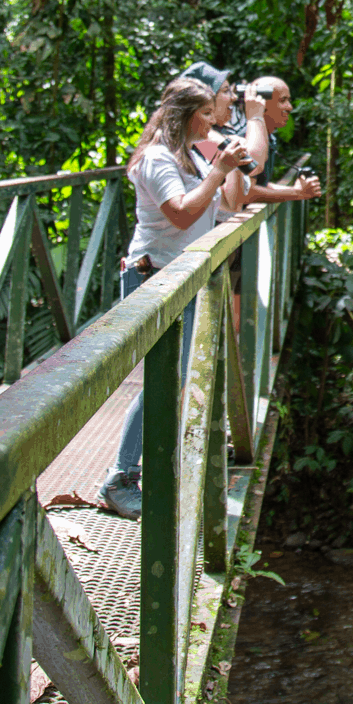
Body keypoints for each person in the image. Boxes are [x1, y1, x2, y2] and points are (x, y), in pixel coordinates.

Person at [97, 77, 249, 519]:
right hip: (153, 277)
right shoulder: (157, 158)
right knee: (160, 383)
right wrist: (218, 171)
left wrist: (231, 167)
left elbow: (230, 206)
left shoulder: (192, 157)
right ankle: (120, 477)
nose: (212, 122)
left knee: (173, 381)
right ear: (183, 115)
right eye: (205, 114)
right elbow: (181, 215)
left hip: (181, 278)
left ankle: (144, 472)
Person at [237, 76, 323, 205]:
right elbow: (245, 192)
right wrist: (296, 193)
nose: (289, 107)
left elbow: (260, 184)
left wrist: (299, 191)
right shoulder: (246, 139)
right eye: (283, 100)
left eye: (289, 100)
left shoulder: (269, 137)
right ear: (262, 103)